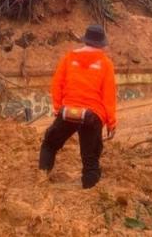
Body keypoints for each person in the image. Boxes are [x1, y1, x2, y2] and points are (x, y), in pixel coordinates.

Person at [38, 24, 117, 189]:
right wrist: (111, 122)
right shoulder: (105, 64)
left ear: (85, 40)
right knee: (90, 159)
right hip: (92, 115)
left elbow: (57, 83)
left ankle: (42, 178)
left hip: (68, 111)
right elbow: (109, 95)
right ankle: (90, 191)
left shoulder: (69, 58)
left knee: (49, 144)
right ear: (102, 44)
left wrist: (58, 108)